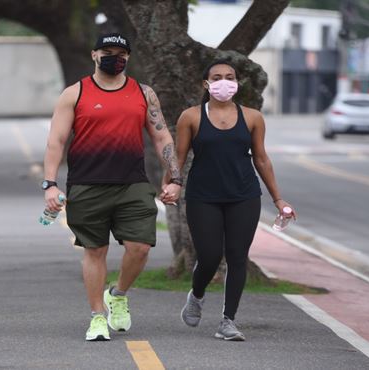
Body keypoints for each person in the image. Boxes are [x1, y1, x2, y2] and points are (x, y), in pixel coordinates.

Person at [42, 33, 181, 341]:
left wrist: (175, 177)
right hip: (86, 185)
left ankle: (117, 294)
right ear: (94, 54)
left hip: (132, 184)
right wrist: (49, 184)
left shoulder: (144, 93)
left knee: (140, 247)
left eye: (121, 52)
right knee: (96, 251)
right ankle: (97, 317)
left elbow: (162, 137)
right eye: (108, 51)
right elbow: (57, 141)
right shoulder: (74, 93)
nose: (114, 56)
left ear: (128, 58)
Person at [173, 60, 296, 341]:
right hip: (203, 196)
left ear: (237, 83)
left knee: (238, 256)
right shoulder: (190, 117)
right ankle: (197, 294)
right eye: (217, 77)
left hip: (244, 195)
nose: (224, 81)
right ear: (206, 84)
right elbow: (178, 158)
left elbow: (261, 159)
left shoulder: (252, 117)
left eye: (230, 77)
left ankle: (228, 321)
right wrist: (173, 184)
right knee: (209, 256)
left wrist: (278, 199)